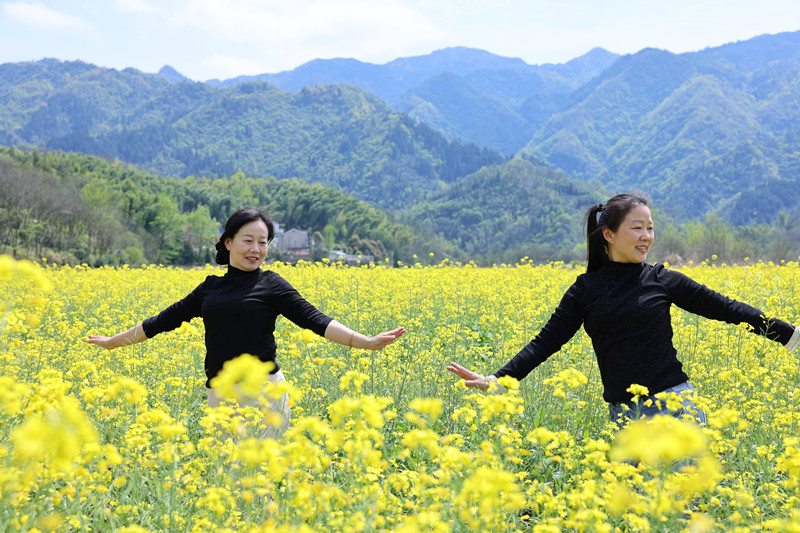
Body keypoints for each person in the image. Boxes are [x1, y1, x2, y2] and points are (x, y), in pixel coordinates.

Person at [447, 192, 800, 426]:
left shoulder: (662, 280)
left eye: (650, 228)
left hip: (674, 409)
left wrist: (791, 336)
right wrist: (497, 380)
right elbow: (545, 343)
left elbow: (729, 309)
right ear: (609, 234)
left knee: (683, 508)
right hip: (624, 417)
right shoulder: (585, 290)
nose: (647, 236)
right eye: (637, 228)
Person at [87, 207, 406, 438]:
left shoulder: (271, 285)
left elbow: (315, 319)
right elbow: (161, 321)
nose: (256, 249)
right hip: (220, 395)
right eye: (248, 240)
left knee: (259, 483)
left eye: (263, 242)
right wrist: (113, 342)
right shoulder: (209, 288)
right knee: (228, 484)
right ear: (228, 242)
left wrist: (364, 342)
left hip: (264, 393)